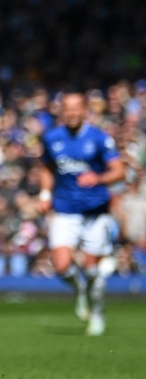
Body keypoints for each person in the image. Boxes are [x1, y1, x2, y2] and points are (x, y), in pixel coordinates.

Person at [37, 92, 124, 336]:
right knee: (62, 266)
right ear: (61, 111)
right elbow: (45, 166)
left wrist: (99, 177)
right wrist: (45, 194)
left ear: (85, 110)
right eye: (68, 108)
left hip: (95, 212)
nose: (72, 112)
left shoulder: (99, 138)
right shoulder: (52, 137)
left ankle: (97, 315)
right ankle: (80, 291)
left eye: (77, 108)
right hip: (65, 210)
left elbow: (119, 171)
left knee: (91, 269)